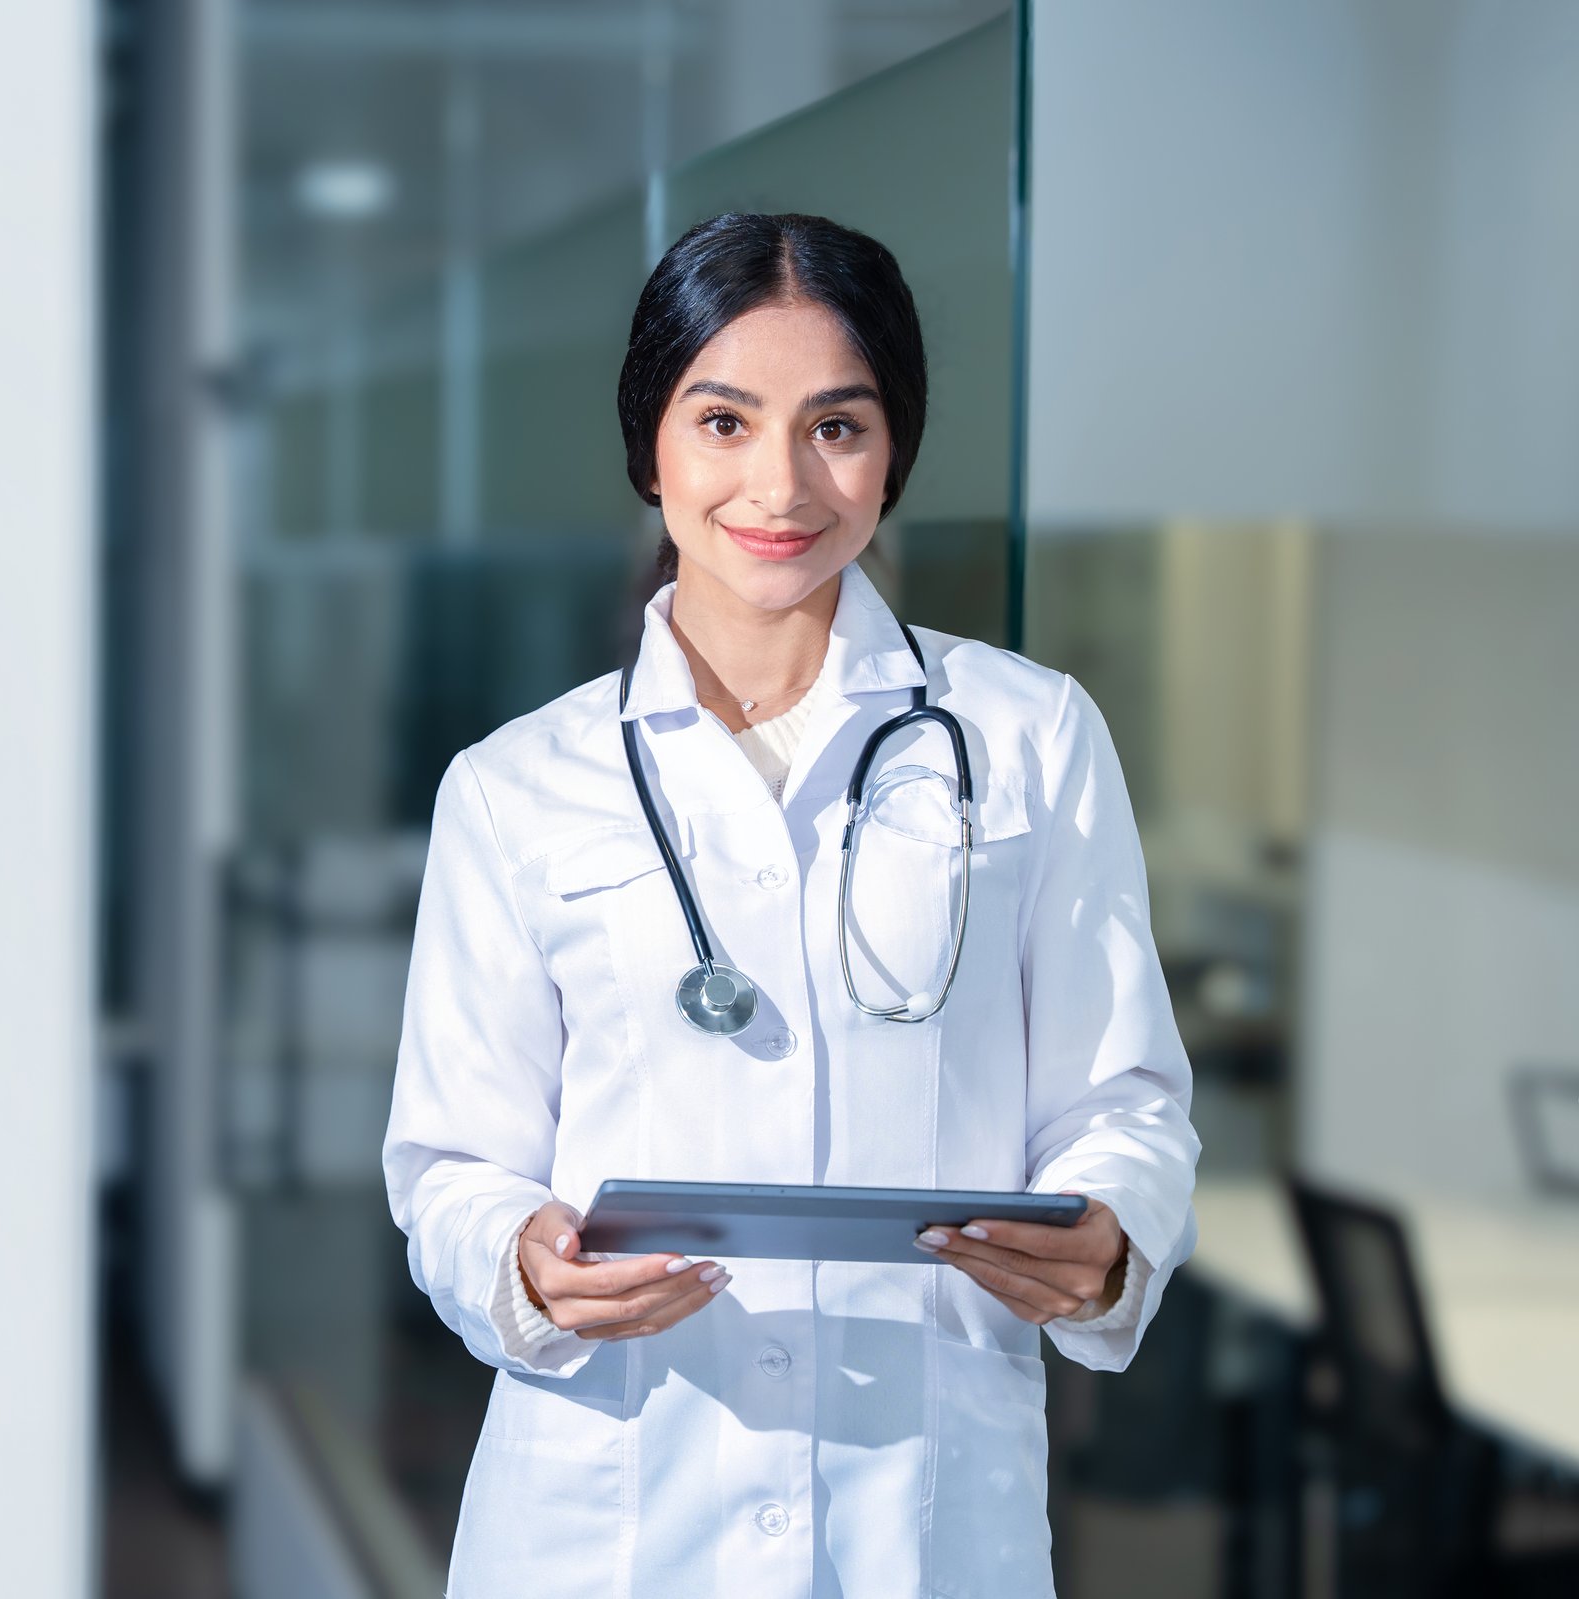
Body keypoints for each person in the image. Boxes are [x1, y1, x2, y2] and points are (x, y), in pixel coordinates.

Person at [379, 211, 1200, 1598]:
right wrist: (523, 1265)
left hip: (925, 1515)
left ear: (895, 455)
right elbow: (452, 1166)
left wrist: (1111, 1233)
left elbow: (1121, 1099)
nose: (779, 483)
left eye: (836, 426)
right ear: (650, 446)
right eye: (723, 422)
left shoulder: (1029, 737)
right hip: (610, 1521)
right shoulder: (517, 787)